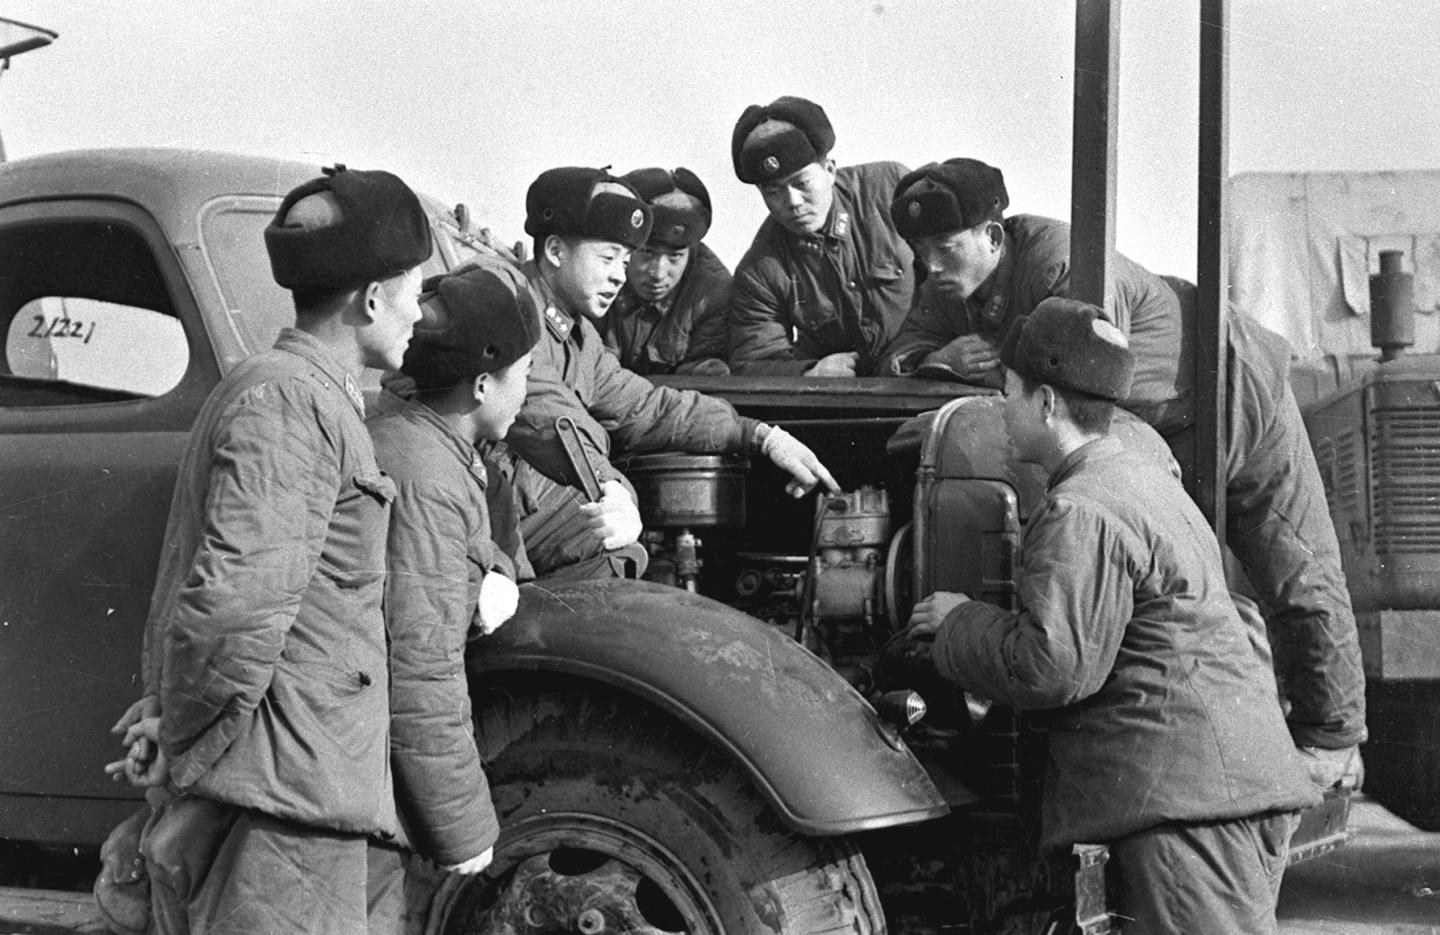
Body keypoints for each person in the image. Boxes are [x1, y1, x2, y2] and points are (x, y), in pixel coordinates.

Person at [881, 157, 1366, 785]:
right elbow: (899, 353)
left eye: (944, 248)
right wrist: (940, 356)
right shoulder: (950, 282)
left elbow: (1080, 376)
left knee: (1291, 565)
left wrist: (986, 366)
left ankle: (1331, 744)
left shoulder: (1061, 262)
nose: (930, 267)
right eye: (920, 252)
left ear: (992, 237)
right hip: (1146, 421)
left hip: (1227, 389)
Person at [908, 297, 1320, 934]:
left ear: (1047, 403)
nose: (1003, 408)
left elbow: (1052, 667)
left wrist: (957, 622)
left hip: (1185, 812)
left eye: (1008, 392)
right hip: (1213, 791)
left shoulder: (1083, 508)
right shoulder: (1144, 480)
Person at [105, 165, 430, 934]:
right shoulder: (291, 402)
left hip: (290, 785)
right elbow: (232, 608)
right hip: (278, 808)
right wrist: (181, 738)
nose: (420, 313)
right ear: (371, 299)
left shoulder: (306, 394)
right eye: (414, 293)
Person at [505, 165, 840, 579]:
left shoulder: (578, 338)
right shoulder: (502, 294)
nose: (619, 275)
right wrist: (610, 485)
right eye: (608, 258)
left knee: (615, 552)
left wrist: (759, 436)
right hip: (468, 504)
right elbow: (538, 402)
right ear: (556, 251)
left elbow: (646, 407)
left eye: (625, 260)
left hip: (511, 504)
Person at [365, 263, 542, 924]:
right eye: (523, 373)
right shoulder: (428, 478)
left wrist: (489, 568)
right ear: (481, 384)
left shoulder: (427, 448)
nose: (527, 390)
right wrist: (462, 827)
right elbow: (422, 667)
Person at [727, 96, 914, 376]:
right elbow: (754, 361)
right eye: (773, 191)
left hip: (924, 371)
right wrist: (810, 373)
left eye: (801, 182)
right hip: (840, 391)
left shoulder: (889, 191)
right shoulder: (759, 271)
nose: (792, 202)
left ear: (829, 170)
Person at [602, 166, 731, 375]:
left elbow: (704, 372)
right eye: (647, 252)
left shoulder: (711, 292)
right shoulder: (596, 274)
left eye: (675, 256)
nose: (658, 273)